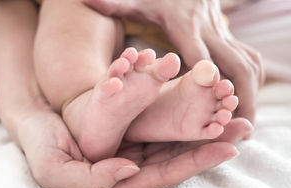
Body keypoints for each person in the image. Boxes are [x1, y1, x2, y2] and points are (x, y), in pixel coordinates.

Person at [0, 1, 253, 188]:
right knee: (76, 23)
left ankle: (129, 105)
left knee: (195, 67)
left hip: (181, 21)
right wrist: (27, 110)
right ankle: (108, 105)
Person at [33, 0, 239, 162]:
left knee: (207, 84)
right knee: (75, 11)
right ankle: (88, 103)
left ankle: (128, 112)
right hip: (165, 37)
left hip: (177, 28)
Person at [83, 0, 265, 126]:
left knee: (213, 92)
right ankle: (79, 102)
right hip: (120, 17)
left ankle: (151, 119)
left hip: (190, 44)